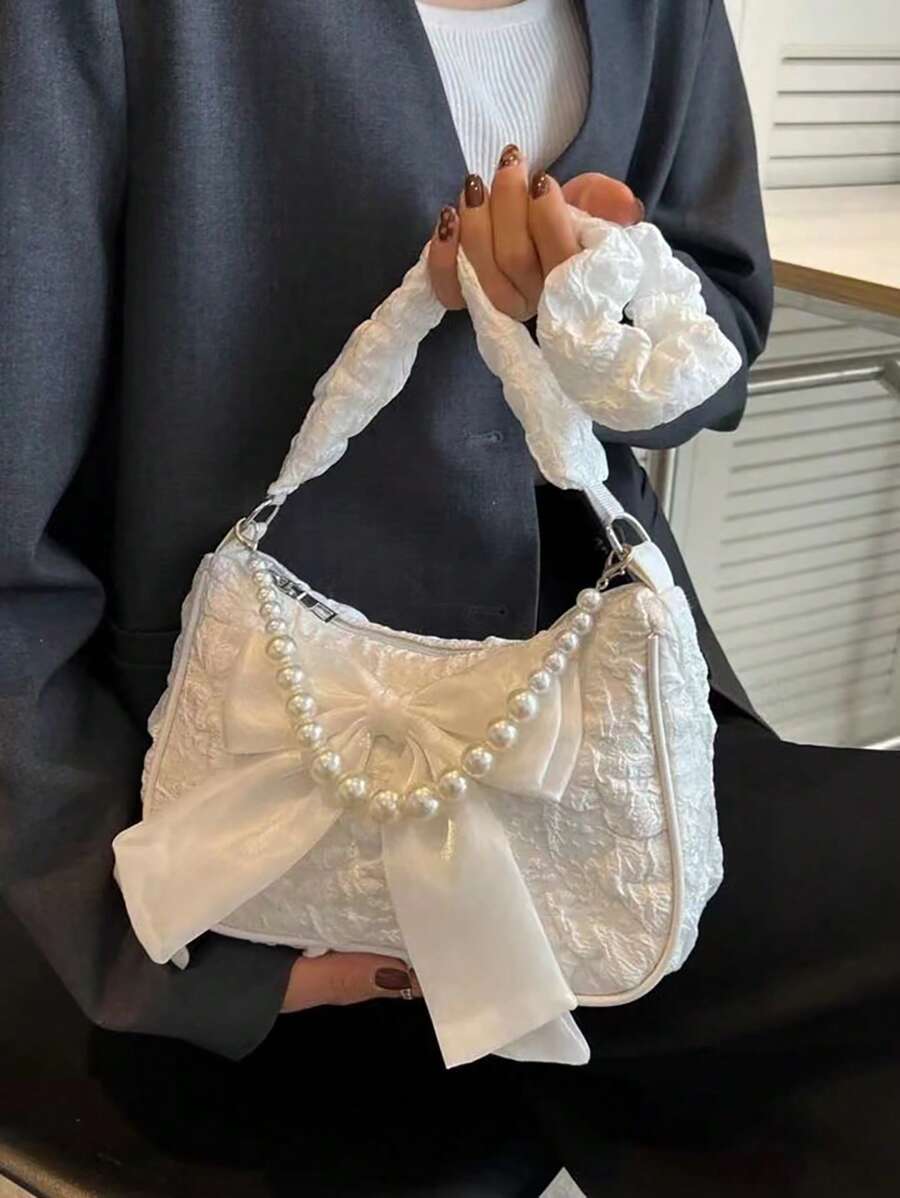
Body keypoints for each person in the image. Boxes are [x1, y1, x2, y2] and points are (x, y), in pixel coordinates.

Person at [1, 1, 898, 1193]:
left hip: (596, 753)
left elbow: (716, 326)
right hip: (230, 810)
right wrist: (131, 923)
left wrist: (606, 300)